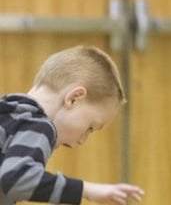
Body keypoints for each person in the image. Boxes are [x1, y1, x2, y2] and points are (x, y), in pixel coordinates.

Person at [0, 45, 145, 205]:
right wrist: (87, 189)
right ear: (74, 98)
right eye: (90, 127)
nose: (82, 141)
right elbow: (17, 179)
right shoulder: (38, 124)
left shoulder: (9, 113)